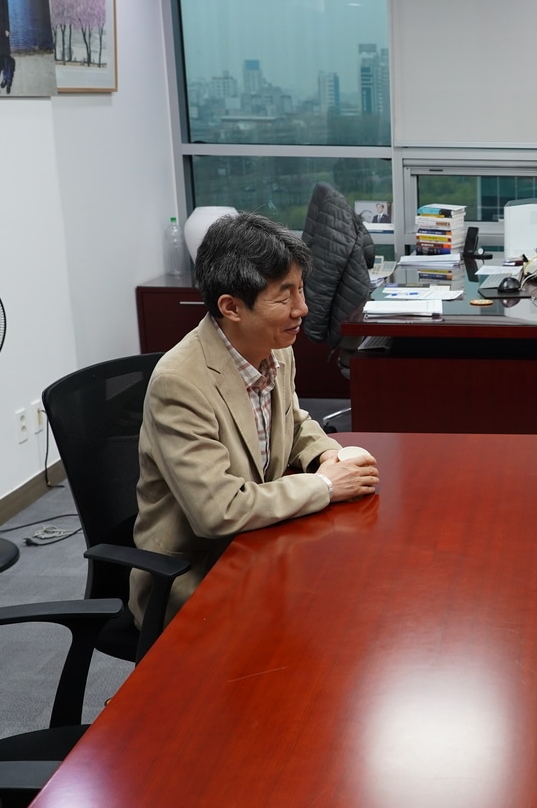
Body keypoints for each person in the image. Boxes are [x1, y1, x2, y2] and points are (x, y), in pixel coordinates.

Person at [130, 212, 380, 628]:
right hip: (199, 574)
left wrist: (327, 458)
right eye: (284, 297)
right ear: (231, 307)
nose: (303, 309)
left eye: (300, 290)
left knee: (358, 599)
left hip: (262, 542)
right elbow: (219, 511)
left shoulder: (274, 344)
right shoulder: (180, 383)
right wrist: (324, 485)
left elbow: (294, 421)